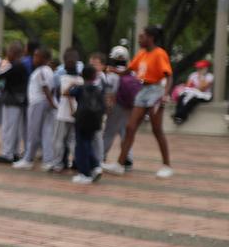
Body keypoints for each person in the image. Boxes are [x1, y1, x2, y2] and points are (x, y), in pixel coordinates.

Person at [105, 26, 173, 178]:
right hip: (142, 91)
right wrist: (113, 70)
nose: (139, 39)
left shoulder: (159, 54)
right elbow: (129, 70)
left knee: (157, 129)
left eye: (142, 37)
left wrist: (165, 94)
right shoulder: (141, 53)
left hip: (156, 91)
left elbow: (169, 75)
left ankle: (167, 165)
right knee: (130, 127)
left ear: (151, 38)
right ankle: (120, 165)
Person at [15, 47, 56, 170]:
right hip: (42, 102)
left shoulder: (43, 71)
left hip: (38, 103)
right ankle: (48, 160)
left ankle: (28, 159)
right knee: (46, 132)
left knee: (33, 132)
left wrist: (51, 103)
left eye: (37, 56)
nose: (34, 59)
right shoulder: (47, 70)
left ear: (44, 59)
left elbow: (46, 89)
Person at [46, 50, 83, 172]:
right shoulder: (81, 80)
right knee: (73, 140)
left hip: (63, 113)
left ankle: (57, 163)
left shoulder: (61, 78)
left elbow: (57, 93)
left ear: (65, 63)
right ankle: (78, 161)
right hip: (76, 114)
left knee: (58, 140)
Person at [70, 65, 106, 185]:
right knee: (88, 144)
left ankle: (85, 174)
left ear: (82, 76)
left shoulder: (80, 88)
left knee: (81, 147)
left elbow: (66, 92)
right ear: (94, 76)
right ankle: (95, 166)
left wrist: (72, 84)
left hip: (81, 121)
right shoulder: (98, 89)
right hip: (94, 122)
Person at [0, 41, 28, 164]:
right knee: (14, 127)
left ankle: (7, 153)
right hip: (17, 99)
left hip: (12, 99)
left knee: (9, 127)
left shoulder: (16, 65)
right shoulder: (20, 65)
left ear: (13, 53)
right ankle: (14, 152)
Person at [172, 59, 213, 124]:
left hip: (205, 95)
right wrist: (192, 87)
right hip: (193, 92)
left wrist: (201, 76)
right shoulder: (193, 74)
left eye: (200, 68)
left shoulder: (210, 76)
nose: (198, 69)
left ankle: (181, 116)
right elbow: (188, 86)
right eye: (198, 68)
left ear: (206, 68)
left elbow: (202, 88)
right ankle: (178, 116)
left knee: (192, 100)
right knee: (182, 97)